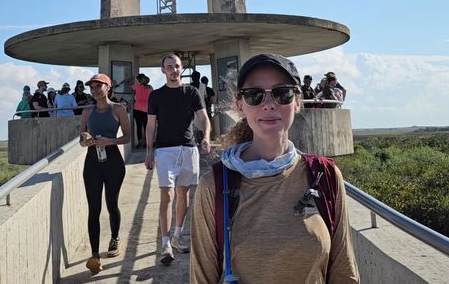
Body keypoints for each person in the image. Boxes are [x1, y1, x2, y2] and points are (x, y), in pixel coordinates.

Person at [189, 53, 359, 283]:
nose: (268, 105)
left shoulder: (324, 176)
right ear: (240, 106)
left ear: (297, 102)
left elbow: (344, 273)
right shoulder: (215, 186)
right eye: (254, 95)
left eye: (282, 93)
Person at [145, 53, 210, 265]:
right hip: (165, 151)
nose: (174, 69)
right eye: (170, 66)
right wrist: (149, 152)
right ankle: (165, 243)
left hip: (189, 149)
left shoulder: (191, 92)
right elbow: (151, 125)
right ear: (163, 70)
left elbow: (203, 118)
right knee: (167, 195)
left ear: (181, 69)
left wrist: (206, 137)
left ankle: (177, 236)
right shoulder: (155, 96)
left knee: (184, 193)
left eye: (177, 66)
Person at [78, 73, 132, 275]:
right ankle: (94, 254)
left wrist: (110, 141)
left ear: (108, 88)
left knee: (111, 203)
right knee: (94, 207)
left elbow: (127, 137)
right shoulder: (87, 111)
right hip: (92, 162)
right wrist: (85, 140)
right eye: (92, 87)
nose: (94, 90)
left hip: (113, 163)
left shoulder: (118, 109)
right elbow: (81, 137)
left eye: (99, 86)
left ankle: (115, 237)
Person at [131, 73, 152, 148]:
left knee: (139, 127)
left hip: (137, 110)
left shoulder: (136, 87)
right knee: (146, 127)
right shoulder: (150, 88)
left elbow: (129, 87)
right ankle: (147, 143)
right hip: (147, 111)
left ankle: (140, 143)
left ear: (139, 80)